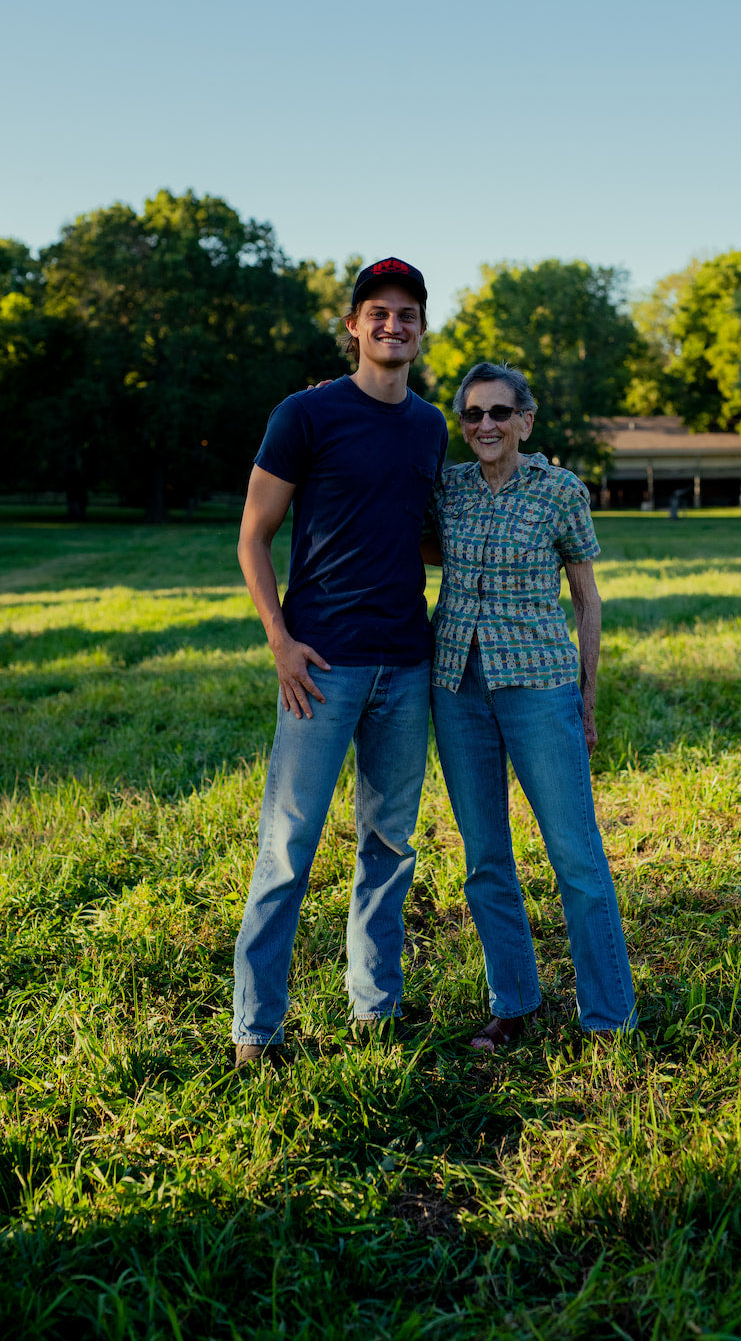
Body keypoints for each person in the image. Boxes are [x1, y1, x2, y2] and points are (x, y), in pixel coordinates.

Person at [232, 258, 449, 1064]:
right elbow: (253, 536)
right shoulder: (305, 414)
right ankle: (257, 1032)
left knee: (389, 844)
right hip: (320, 664)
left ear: (421, 332)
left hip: (407, 660)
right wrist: (281, 643)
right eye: (379, 312)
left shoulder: (430, 427)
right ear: (355, 325)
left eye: (408, 314)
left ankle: (376, 1008)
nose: (394, 325)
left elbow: (419, 534)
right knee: (288, 849)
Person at [428, 361, 637, 1050]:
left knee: (575, 855)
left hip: (540, 688)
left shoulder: (560, 492)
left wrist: (586, 697)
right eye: (472, 414)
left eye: (498, 412)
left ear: (525, 420)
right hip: (457, 687)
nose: (484, 425)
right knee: (486, 857)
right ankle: (513, 1005)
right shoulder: (449, 489)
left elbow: (587, 598)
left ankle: (608, 1018)